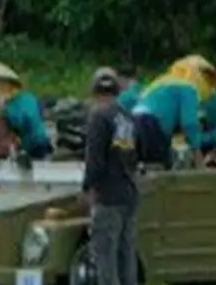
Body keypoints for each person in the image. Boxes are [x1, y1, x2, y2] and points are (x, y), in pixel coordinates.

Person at [82, 68, 139, 285]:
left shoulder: (98, 117)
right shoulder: (127, 117)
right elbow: (134, 155)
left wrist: (88, 189)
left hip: (107, 197)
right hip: (129, 193)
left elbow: (95, 160)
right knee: (127, 257)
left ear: (94, 91)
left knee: (106, 258)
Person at [132, 57, 205, 168]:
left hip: (133, 120)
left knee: (140, 167)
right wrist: (197, 154)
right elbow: (189, 123)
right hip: (150, 124)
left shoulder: (161, 82)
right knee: (159, 170)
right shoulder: (188, 87)